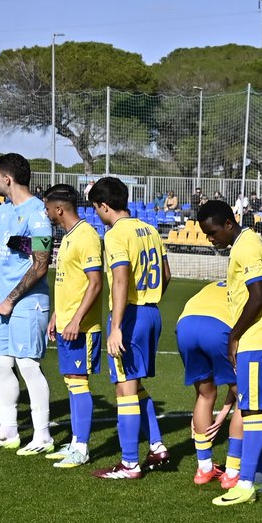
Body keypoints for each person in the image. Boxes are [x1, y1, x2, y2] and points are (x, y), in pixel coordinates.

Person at [200, 201, 262, 507]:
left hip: (257, 339)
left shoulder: (246, 246)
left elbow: (258, 295)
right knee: (258, 412)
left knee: (250, 412)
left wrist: (234, 336)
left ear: (228, 224)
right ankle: (260, 479)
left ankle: (245, 482)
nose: (211, 239)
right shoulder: (245, 243)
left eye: (212, 232)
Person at [89, 177, 171, 479]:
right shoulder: (149, 229)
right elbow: (166, 273)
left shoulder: (115, 234)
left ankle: (129, 463)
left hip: (131, 317)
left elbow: (121, 279)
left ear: (104, 205)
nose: (97, 214)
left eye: (97, 208)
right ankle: (158, 444)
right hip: (151, 312)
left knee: (124, 388)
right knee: (134, 385)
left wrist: (117, 327)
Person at [0, 154, 53, 453]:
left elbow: (42, 262)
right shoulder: (4, 211)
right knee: (0, 364)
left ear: (7, 178)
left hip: (27, 302)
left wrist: (10, 299)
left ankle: (43, 435)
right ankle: (8, 430)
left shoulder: (38, 212)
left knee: (28, 365)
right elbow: (0, 257)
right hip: (1, 303)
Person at [42, 184, 104, 468]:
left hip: (82, 327)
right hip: (67, 322)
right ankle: (76, 441)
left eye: (47, 208)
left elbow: (95, 283)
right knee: (71, 382)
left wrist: (77, 319)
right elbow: (69, 282)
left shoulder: (87, 236)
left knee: (79, 383)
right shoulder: (68, 236)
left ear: (59, 209)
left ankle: (81, 447)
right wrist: (57, 315)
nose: (46, 213)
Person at [176, 270, 241, 487]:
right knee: (245, 396)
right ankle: (232, 472)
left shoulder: (213, 285)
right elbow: (237, 389)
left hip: (184, 325)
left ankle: (204, 468)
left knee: (204, 395)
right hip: (217, 327)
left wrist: (202, 415)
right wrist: (223, 414)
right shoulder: (246, 289)